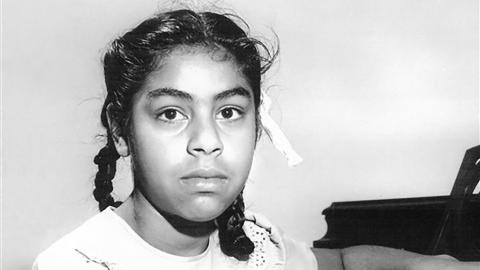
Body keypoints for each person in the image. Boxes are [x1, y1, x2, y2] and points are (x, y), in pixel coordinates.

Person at [33, 9, 479, 270]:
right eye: (171, 114)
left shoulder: (250, 244)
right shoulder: (80, 263)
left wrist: (428, 264)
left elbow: (339, 262)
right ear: (121, 129)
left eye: (229, 113)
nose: (206, 141)